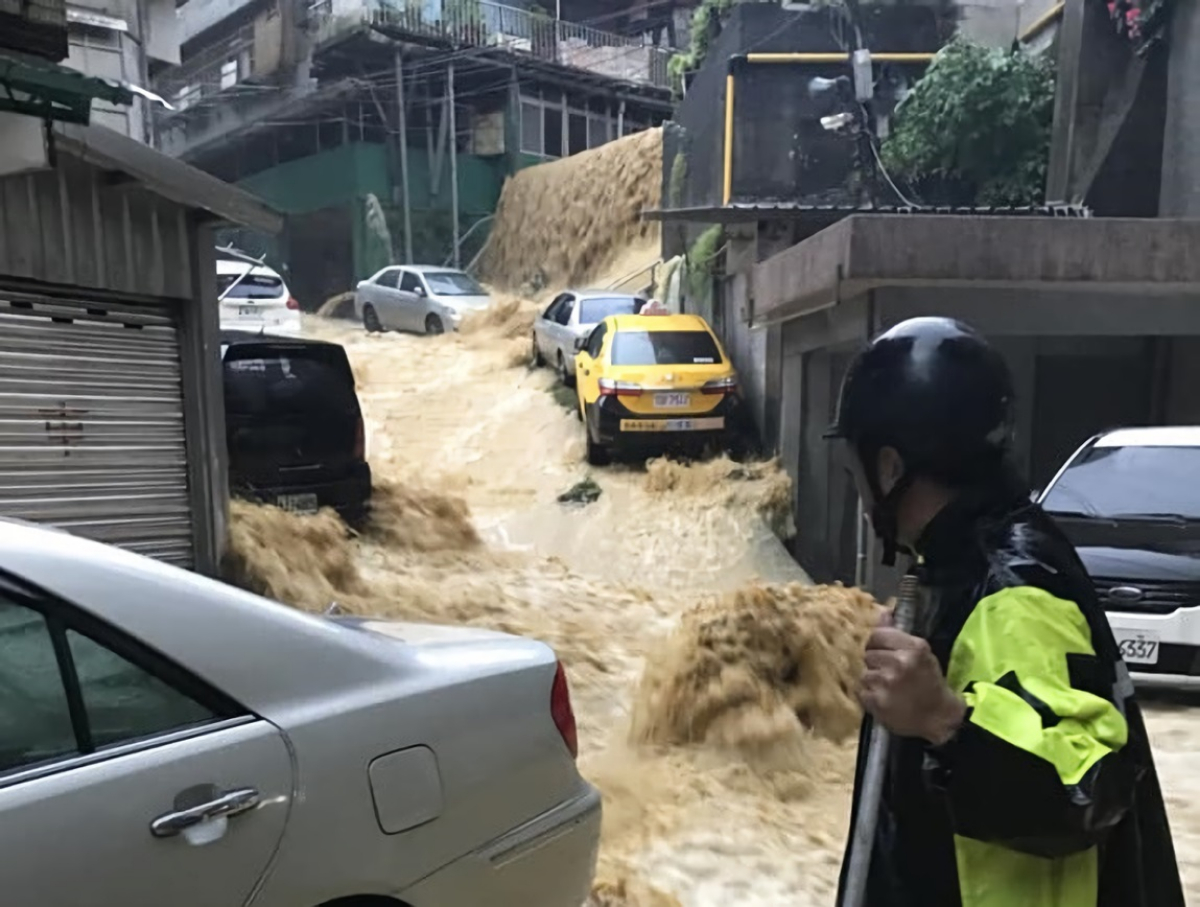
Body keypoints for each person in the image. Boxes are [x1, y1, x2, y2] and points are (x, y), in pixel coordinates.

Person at [828, 317, 1183, 907]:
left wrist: (945, 721)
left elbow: (1087, 789)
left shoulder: (1012, 593)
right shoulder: (959, 566)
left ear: (890, 467)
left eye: (858, 469)